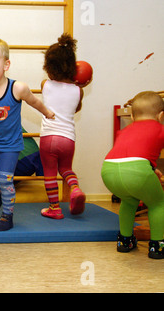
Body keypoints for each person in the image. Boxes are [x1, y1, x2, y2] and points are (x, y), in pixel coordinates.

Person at [0, 37, 55, 231]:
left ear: (6, 64)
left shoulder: (17, 88)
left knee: (5, 179)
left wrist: (47, 112)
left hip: (10, 145)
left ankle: (7, 216)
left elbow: (34, 102)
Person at [101, 91, 164, 259]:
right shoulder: (159, 128)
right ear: (161, 115)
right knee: (158, 203)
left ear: (133, 117)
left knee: (129, 201)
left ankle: (125, 241)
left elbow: (129, 155)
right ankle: (158, 246)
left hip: (109, 170)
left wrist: (150, 169)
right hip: (137, 172)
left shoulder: (125, 130)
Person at [39, 33, 88, 219]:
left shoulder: (46, 84)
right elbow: (76, 108)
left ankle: (54, 208)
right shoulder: (78, 90)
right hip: (68, 138)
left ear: (49, 68)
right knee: (66, 169)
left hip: (49, 137)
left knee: (50, 173)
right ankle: (75, 188)